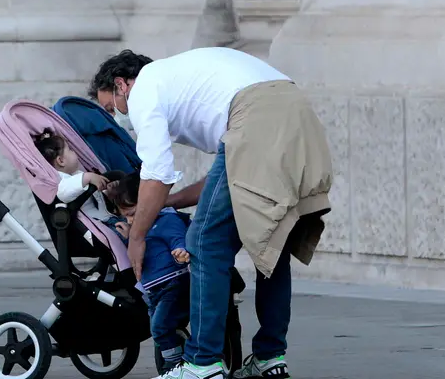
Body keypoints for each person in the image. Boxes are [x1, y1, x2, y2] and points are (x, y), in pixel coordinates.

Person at [88, 47, 333, 379]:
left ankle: (202, 363)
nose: (116, 117)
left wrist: (139, 236)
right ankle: (270, 357)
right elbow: (228, 174)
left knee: (203, 243)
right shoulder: (183, 80)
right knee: (274, 243)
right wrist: (168, 202)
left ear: (121, 85)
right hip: (295, 110)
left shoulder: (145, 88)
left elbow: (157, 173)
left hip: (258, 114)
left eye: (109, 107)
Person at [111, 170, 192, 372]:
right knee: (159, 328)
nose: (130, 220)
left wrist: (180, 250)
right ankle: (174, 360)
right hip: (154, 291)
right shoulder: (139, 229)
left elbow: (177, 237)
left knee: (160, 327)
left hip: (173, 284)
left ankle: (174, 366)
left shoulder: (166, 220)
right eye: (125, 216)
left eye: (132, 214)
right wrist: (128, 237)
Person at [33, 129, 127, 239]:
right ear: (61, 161)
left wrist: (108, 193)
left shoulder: (76, 175)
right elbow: (63, 193)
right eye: (70, 150)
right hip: (97, 227)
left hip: (107, 219)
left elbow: (92, 199)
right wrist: (88, 177)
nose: (74, 152)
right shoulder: (62, 181)